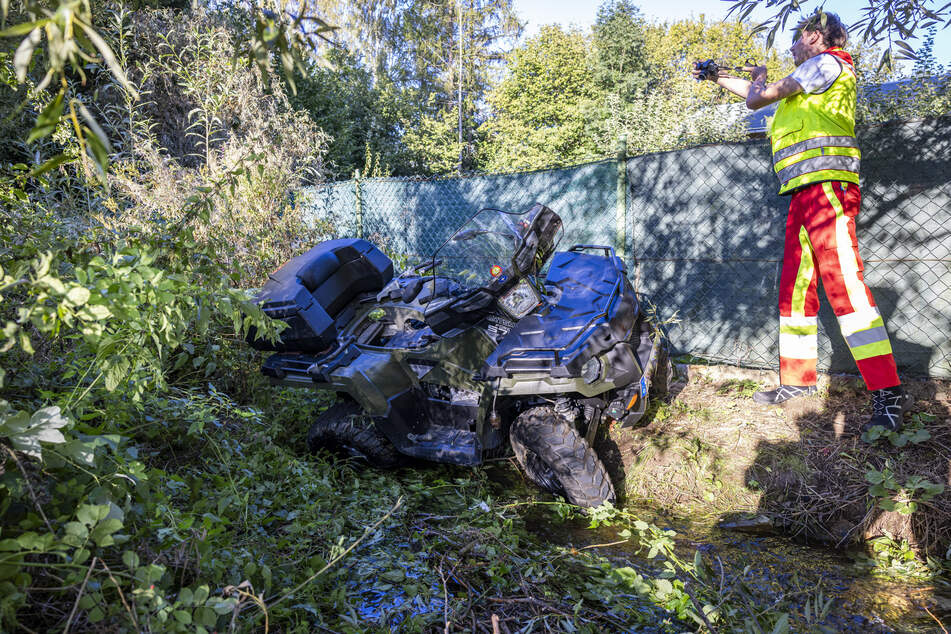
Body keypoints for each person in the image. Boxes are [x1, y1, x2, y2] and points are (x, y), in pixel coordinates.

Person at [692, 11, 912, 432]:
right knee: (794, 289)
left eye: (795, 40)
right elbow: (753, 93)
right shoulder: (805, 85)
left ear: (814, 36)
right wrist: (717, 76)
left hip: (828, 189)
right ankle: (797, 382)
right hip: (802, 194)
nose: (790, 48)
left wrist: (758, 80)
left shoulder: (828, 62)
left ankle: (887, 392)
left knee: (844, 285)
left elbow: (757, 96)